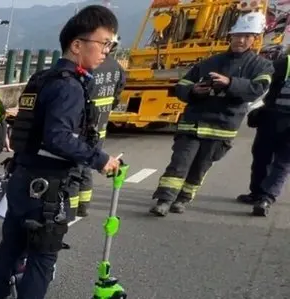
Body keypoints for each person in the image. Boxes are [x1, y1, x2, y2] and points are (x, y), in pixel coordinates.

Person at [0, 5, 123, 299]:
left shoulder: (41, 79)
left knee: (11, 247)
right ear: (77, 45)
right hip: (46, 186)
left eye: (111, 46)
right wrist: (100, 159)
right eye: (104, 44)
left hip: (21, 178)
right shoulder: (70, 87)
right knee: (42, 256)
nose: (107, 52)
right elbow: (59, 138)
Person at [150, 11, 273, 216]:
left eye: (246, 36)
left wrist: (230, 83)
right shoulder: (210, 62)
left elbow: (258, 89)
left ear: (254, 39)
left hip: (222, 128)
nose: (240, 40)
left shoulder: (261, 66)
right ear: (230, 36)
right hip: (193, 123)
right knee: (180, 163)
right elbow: (182, 85)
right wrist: (193, 91)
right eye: (237, 35)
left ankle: (183, 199)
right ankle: (164, 200)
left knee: (200, 167)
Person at [74, 34, 126, 219]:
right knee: (87, 165)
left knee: (74, 168)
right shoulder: (117, 69)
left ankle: (71, 208)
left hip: (81, 127)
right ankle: (84, 205)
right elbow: (117, 96)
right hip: (100, 126)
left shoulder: (88, 67)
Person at [242, 49, 290, 216]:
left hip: (274, 117)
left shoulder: (284, 63)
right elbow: (261, 83)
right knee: (273, 160)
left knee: (272, 159)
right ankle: (262, 196)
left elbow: (260, 83)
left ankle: (262, 196)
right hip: (274, 117)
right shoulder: (284, 64)